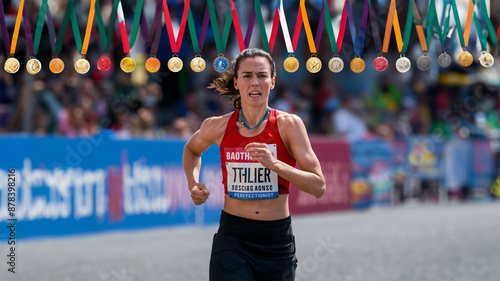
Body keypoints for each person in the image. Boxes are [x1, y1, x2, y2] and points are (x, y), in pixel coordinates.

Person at [182, 48, 326, 280]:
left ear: (273, 82)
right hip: (233, 238)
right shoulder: (217, 126)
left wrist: (276, 164)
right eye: (247, 76)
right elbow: (191, 149)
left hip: (276, 241)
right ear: (237, 83)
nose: (255, 82)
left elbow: (318, 186)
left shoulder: (289, 125)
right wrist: (193, 183)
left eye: (261, 75)